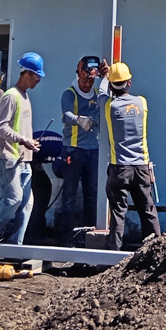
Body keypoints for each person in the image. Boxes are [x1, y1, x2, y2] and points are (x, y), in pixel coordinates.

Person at [0, 53, 43, 245]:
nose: (38, 80)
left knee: (27, 204)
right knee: (14, 200)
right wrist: (23, 140)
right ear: (28, 74)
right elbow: (1, 127)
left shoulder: (24, 96)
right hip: (9, 158)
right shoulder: (10, 96)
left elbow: (18, 128)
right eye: (37, 76)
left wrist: (29, 142)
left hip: (24, 159)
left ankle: (15, 245)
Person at [100, 61, 162, 250]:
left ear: (112, 85)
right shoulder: (142, 102)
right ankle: (157, 251)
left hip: (119, 168)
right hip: (142, 167)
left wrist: (104, 77)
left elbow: (102, 93)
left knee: (118, 213)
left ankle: (113, 255)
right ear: (129, 83)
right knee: (148, 210)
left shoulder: (109, 106)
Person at [58, 56, 105, 245]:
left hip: (93, 151)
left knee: (91, 192)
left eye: (91, 80)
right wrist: (79, 120)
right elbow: (67, 115)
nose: (87, 83)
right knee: (69, 193)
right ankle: (66, 236)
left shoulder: (96, 95)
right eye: (84, 79)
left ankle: (89, 233)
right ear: (78, 75)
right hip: (74, 150)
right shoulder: (69, 94)